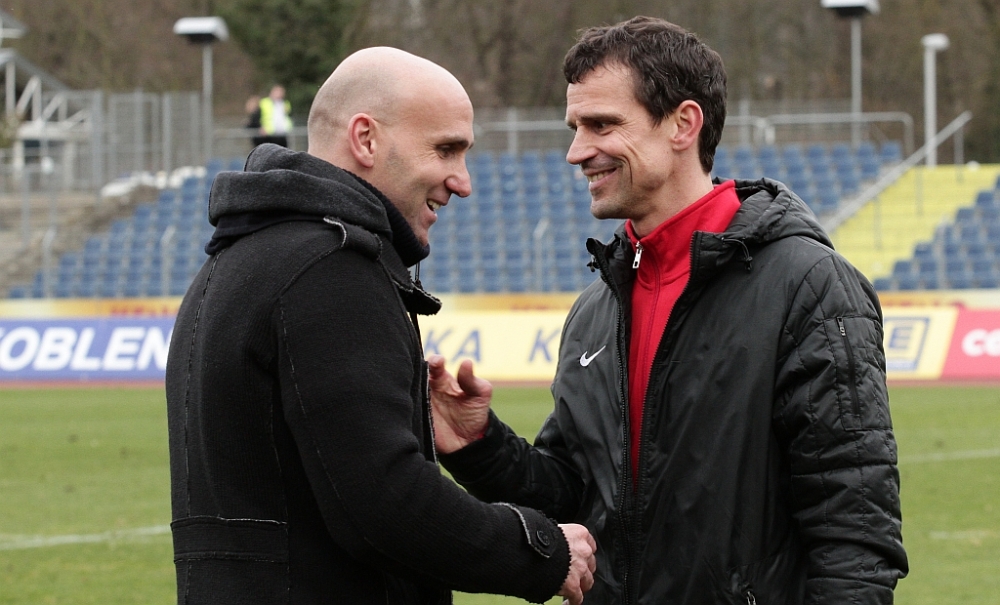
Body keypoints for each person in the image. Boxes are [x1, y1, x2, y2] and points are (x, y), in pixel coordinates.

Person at [429, 16, 908, 605]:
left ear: (683, 124)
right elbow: (577, 498)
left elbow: (854, 533)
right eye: (575, 128)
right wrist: (480, 445)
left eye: (602, 124)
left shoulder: (808, 285)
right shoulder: (597, 307)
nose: (577, 152)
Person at [165, 46, 596, 605]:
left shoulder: (238, 259)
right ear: (365, 139)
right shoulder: (329, 267)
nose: (462, 182)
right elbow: (385, 504)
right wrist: (539, 550)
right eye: (445, 150)